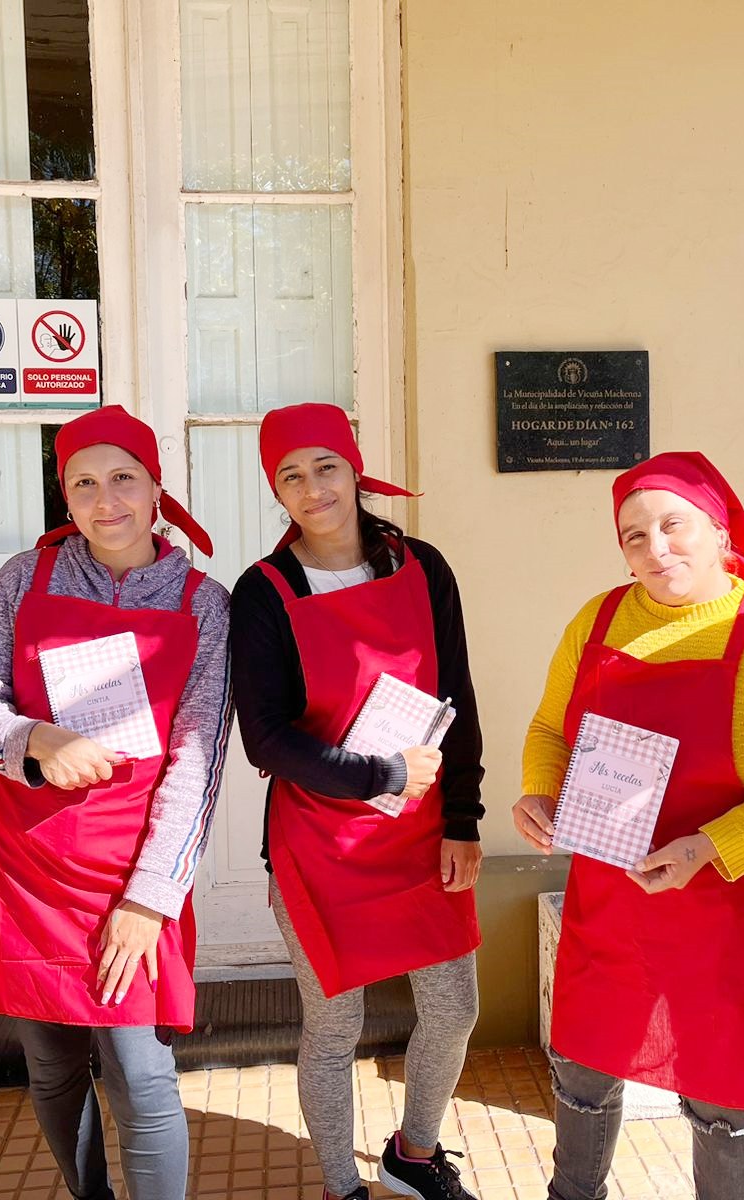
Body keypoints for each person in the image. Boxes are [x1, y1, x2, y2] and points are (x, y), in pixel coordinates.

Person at [514, 450, 744, 1200]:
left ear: (721, 533)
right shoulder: (598, 620)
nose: (655, 548)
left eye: (674, 526)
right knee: (584, 1068)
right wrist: (539, 790)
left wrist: (709, 846)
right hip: (614, 898)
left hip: (732, 906)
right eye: (634, 536)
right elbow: (550, 730)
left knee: (721, 1093)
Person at [0, 405, 231, 1200]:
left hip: (129, 868)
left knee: (141, 1072)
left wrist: (151, 898)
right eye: (84, 484)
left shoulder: (202, 603)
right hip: (22, 859)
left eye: (124, 479)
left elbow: (198, 760)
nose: (107, 501)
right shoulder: (23, 579)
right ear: (64, 496)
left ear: (156, 488)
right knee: (51, 1062)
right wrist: (38, 740)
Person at [229, 403, 485, 1200]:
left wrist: (463, 817)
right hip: (320, 845)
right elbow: (266, 740)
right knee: (335, 1026)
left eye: (326, 468)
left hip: (422, 834)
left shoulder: (422, 566)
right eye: (291, 477)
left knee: (455, 1009)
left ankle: (414, 1153)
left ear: (354, 469)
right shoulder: (264, 590)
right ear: (276, 490)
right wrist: (378, 775)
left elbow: (457, 695)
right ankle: (343, 1186)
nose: (313, 489)